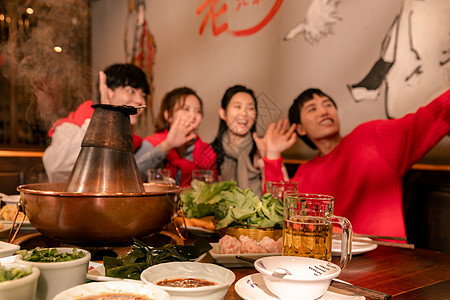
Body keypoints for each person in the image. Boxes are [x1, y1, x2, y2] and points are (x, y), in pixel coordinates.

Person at [258, 88, 450, 238]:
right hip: (330, 265)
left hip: (387, 258)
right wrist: (273, 155)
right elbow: (278, 211)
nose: (324, 111)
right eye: (312, 109)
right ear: (299, 128)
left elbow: (431, 117)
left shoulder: (372, 137)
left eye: (327, 105)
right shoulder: (306, 172)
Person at [43, 63, 150, 183]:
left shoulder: (127, 137)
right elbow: (56, 167)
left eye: (143, 95)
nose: (140, 100)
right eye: (131, 91)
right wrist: (103, 117)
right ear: (109, 92)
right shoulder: (72, 127)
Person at [135, 87, 216, 187]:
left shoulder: (206, 151)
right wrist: (167, 145)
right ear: (168, 115)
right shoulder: (152, 144)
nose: (193, 116)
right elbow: (131, 176)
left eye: (198, 111)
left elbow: (214, 187)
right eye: (186, 109)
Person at [211, 85, 265, 197]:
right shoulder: (210, 152)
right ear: (222, 113)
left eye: (250, 108)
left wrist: (268, 161)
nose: (244, 113)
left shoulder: (263, 149)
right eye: (237, 106)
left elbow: (278, 194)